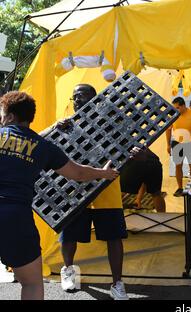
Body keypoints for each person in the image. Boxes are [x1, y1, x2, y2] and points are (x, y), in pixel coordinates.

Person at [0, 91, 119, 300]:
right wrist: (104, 173)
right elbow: (78, 173)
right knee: (32, 284)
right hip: (15, 218)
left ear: (9, 116)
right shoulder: (43, 147)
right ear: (29, 117)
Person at [57, 84, 129, 300]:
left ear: (94, 98)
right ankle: (68, 270)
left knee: (114, 237)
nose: (77, 100)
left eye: (81, 96)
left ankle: (117, 283)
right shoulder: (66, 124)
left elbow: (128, 147)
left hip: (107, 188)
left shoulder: (111, 123)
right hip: (75, 189)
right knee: (69, 235)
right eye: (74, 97)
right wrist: (58, 128)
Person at [166, 97, 191, 197]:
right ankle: (180, 188)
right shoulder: (173, 114)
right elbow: (168, 130)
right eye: (174, 108)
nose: (176, 110)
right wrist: (168, 144)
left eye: (178, 107)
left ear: (183, 105)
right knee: (178, 166)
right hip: (177, 143)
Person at [120, 147, 166, 212]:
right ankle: (162, 218)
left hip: (137, 162)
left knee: (120, 190)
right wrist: (138, 199)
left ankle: (113, 216)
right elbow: (144, 178)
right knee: (156, 193)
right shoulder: (134, 141)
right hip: (153, 161)